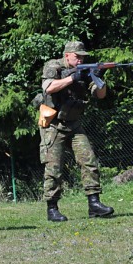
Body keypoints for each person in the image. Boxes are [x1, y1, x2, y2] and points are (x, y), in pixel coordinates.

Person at [39, 41, 114, 222]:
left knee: (89, 160)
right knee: (53, 167)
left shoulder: (85, 71)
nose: (81, 59)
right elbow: (48, 87)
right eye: (77, 56)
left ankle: (94, 203)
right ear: (67, 56)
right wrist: (73, 77)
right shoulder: (53, 66)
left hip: (74, 124)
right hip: (53, 124)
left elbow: (100, 95)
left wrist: (99, 78)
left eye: (82, 56)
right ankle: (52, 208)